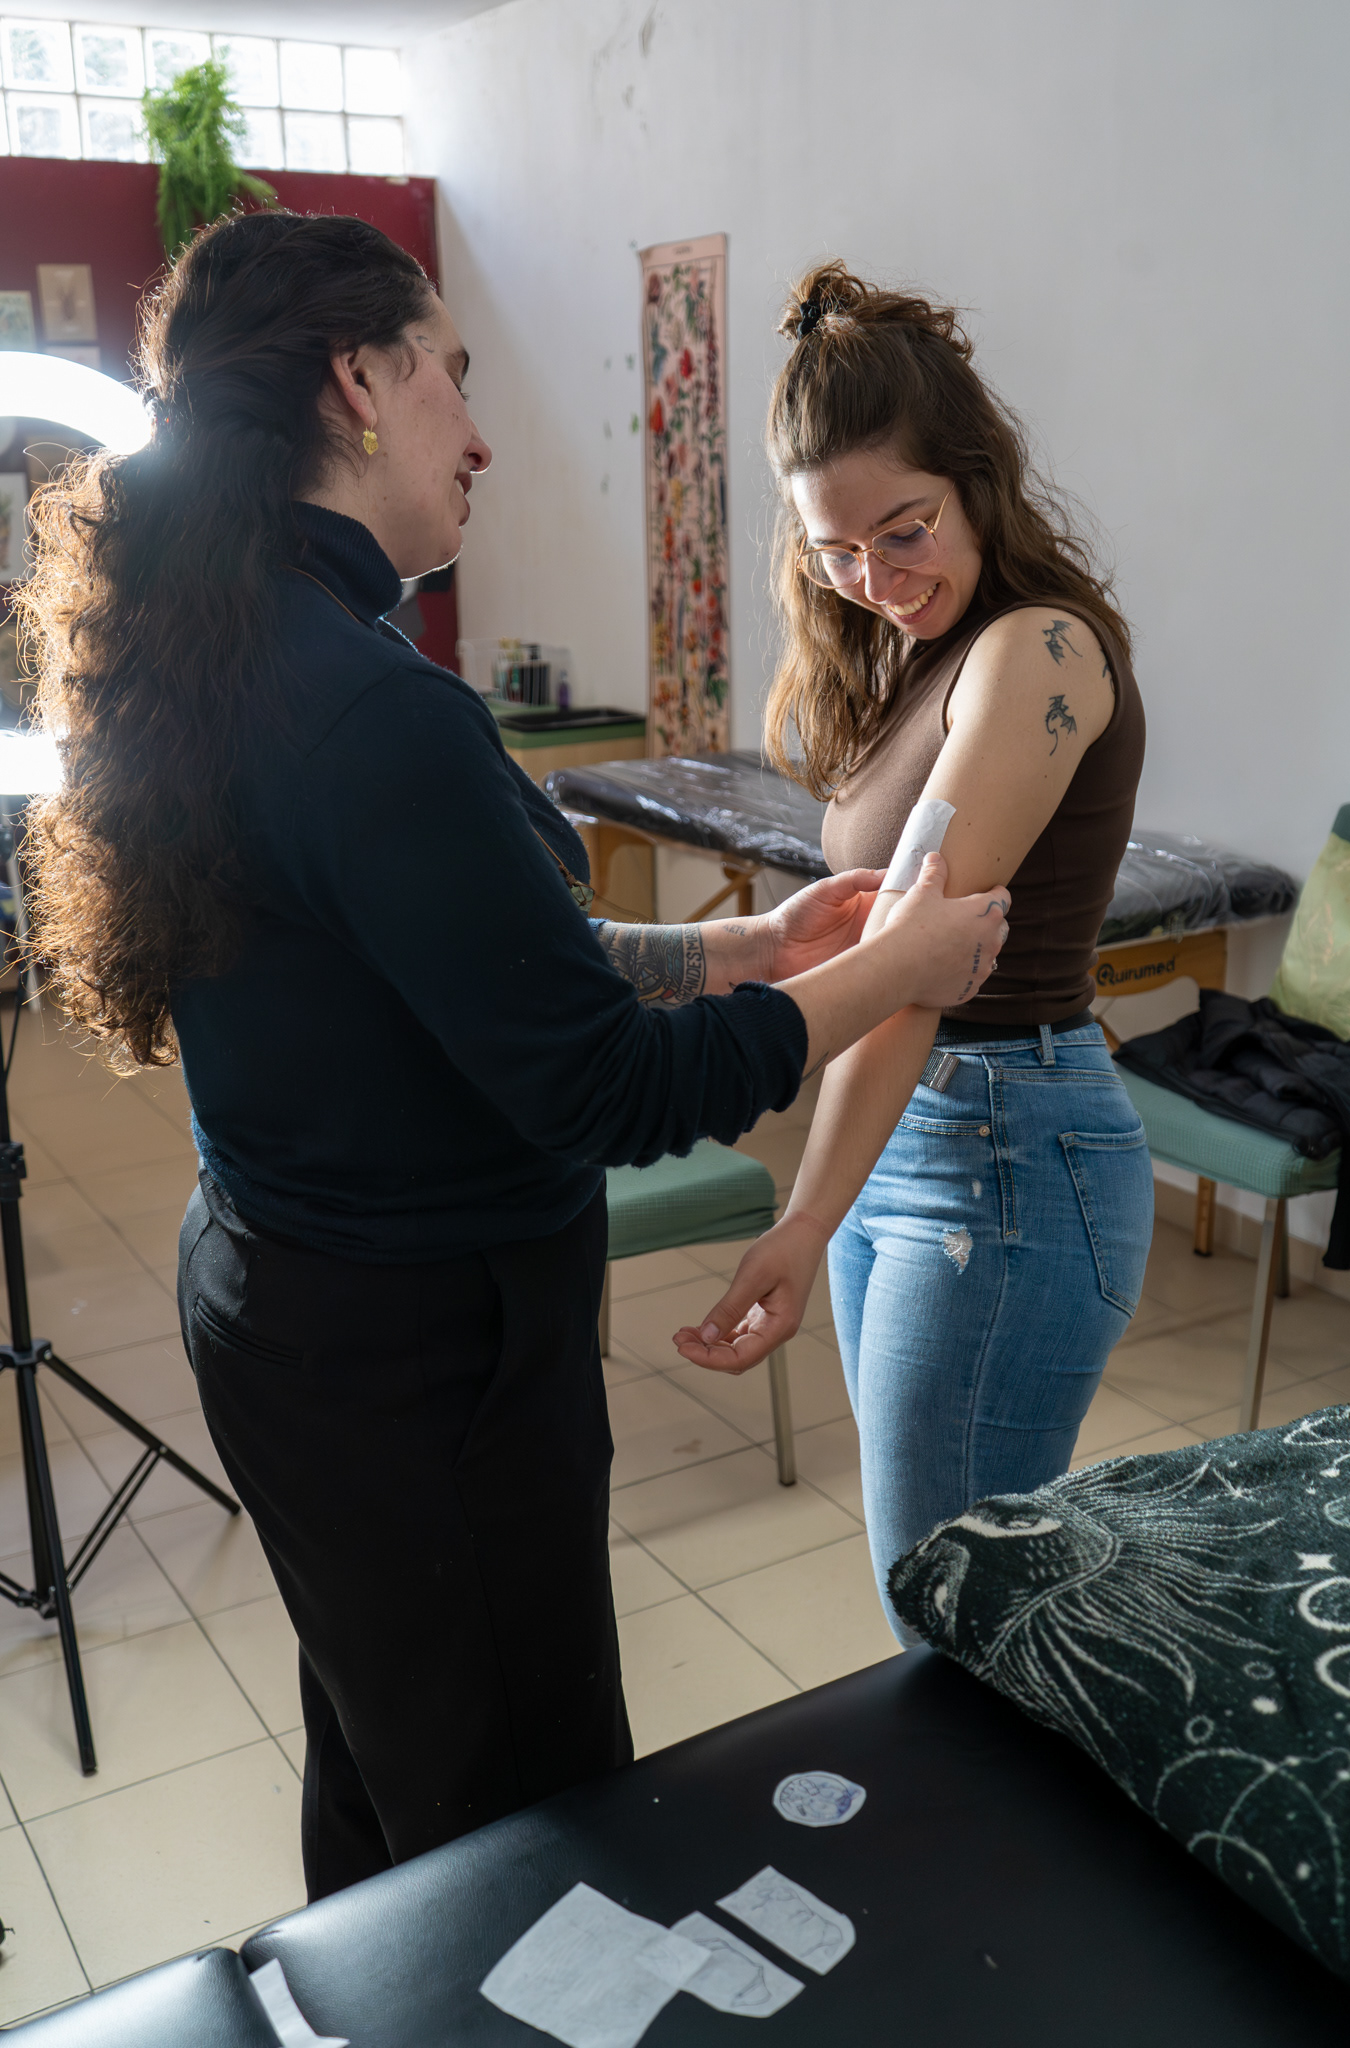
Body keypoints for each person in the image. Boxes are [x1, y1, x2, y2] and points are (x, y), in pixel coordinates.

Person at [17, 215, 1008, 1897]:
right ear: (357, 380)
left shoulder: (226, 650)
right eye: (452, 377)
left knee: (385, 1756)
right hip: (419, 1363)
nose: (478, 436)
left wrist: (738, 950)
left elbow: (462, 971)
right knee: (514, 1830)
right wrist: (893, 970)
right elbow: (607, 1086)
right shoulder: (368, 707)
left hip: (283, 1302)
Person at [676, 263, 1154, 1641]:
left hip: (1008, 1143)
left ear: (976, 481)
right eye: (835, 550)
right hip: (920, 1135)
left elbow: (913, 972)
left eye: (904, 531)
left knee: (951, 1622)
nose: (876, 581)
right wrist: (825, 1203)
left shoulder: (1037, 650)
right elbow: (889, 962)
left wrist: (801, 1215)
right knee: (941, 1601)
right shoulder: (917, 652)